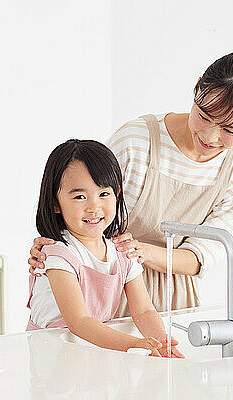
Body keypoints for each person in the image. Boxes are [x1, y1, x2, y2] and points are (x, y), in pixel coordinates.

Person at [28, 52, 233, 316]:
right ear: (197, 88)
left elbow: (201, 257)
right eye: (205, 116)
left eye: (229, 129)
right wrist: (55, 244)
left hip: (175, 298)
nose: (210, 136)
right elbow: (82, 204)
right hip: (107, 286)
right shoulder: (137, 141)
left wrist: (141, 253)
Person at [26, 139, 184, 358]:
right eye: (80, 196)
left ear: (117, 193)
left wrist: (161, 341)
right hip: (52, 355)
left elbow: (144, 310)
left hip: (91, 352)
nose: (94, 207)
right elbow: (79, 322)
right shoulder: (56, 255)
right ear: (55, 202)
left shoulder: (121, 253)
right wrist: (136, 344)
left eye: (103, 194)